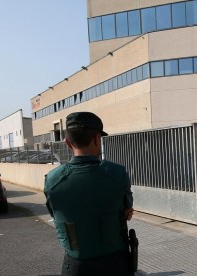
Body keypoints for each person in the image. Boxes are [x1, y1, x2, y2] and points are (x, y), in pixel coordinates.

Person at [45, 112, 134, 276]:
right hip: (115, 264)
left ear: (67, 142)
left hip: (75, 265)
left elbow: (55, 212)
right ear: (97, 139)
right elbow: (127, 210)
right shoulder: (117, 173)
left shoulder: (52, 179)